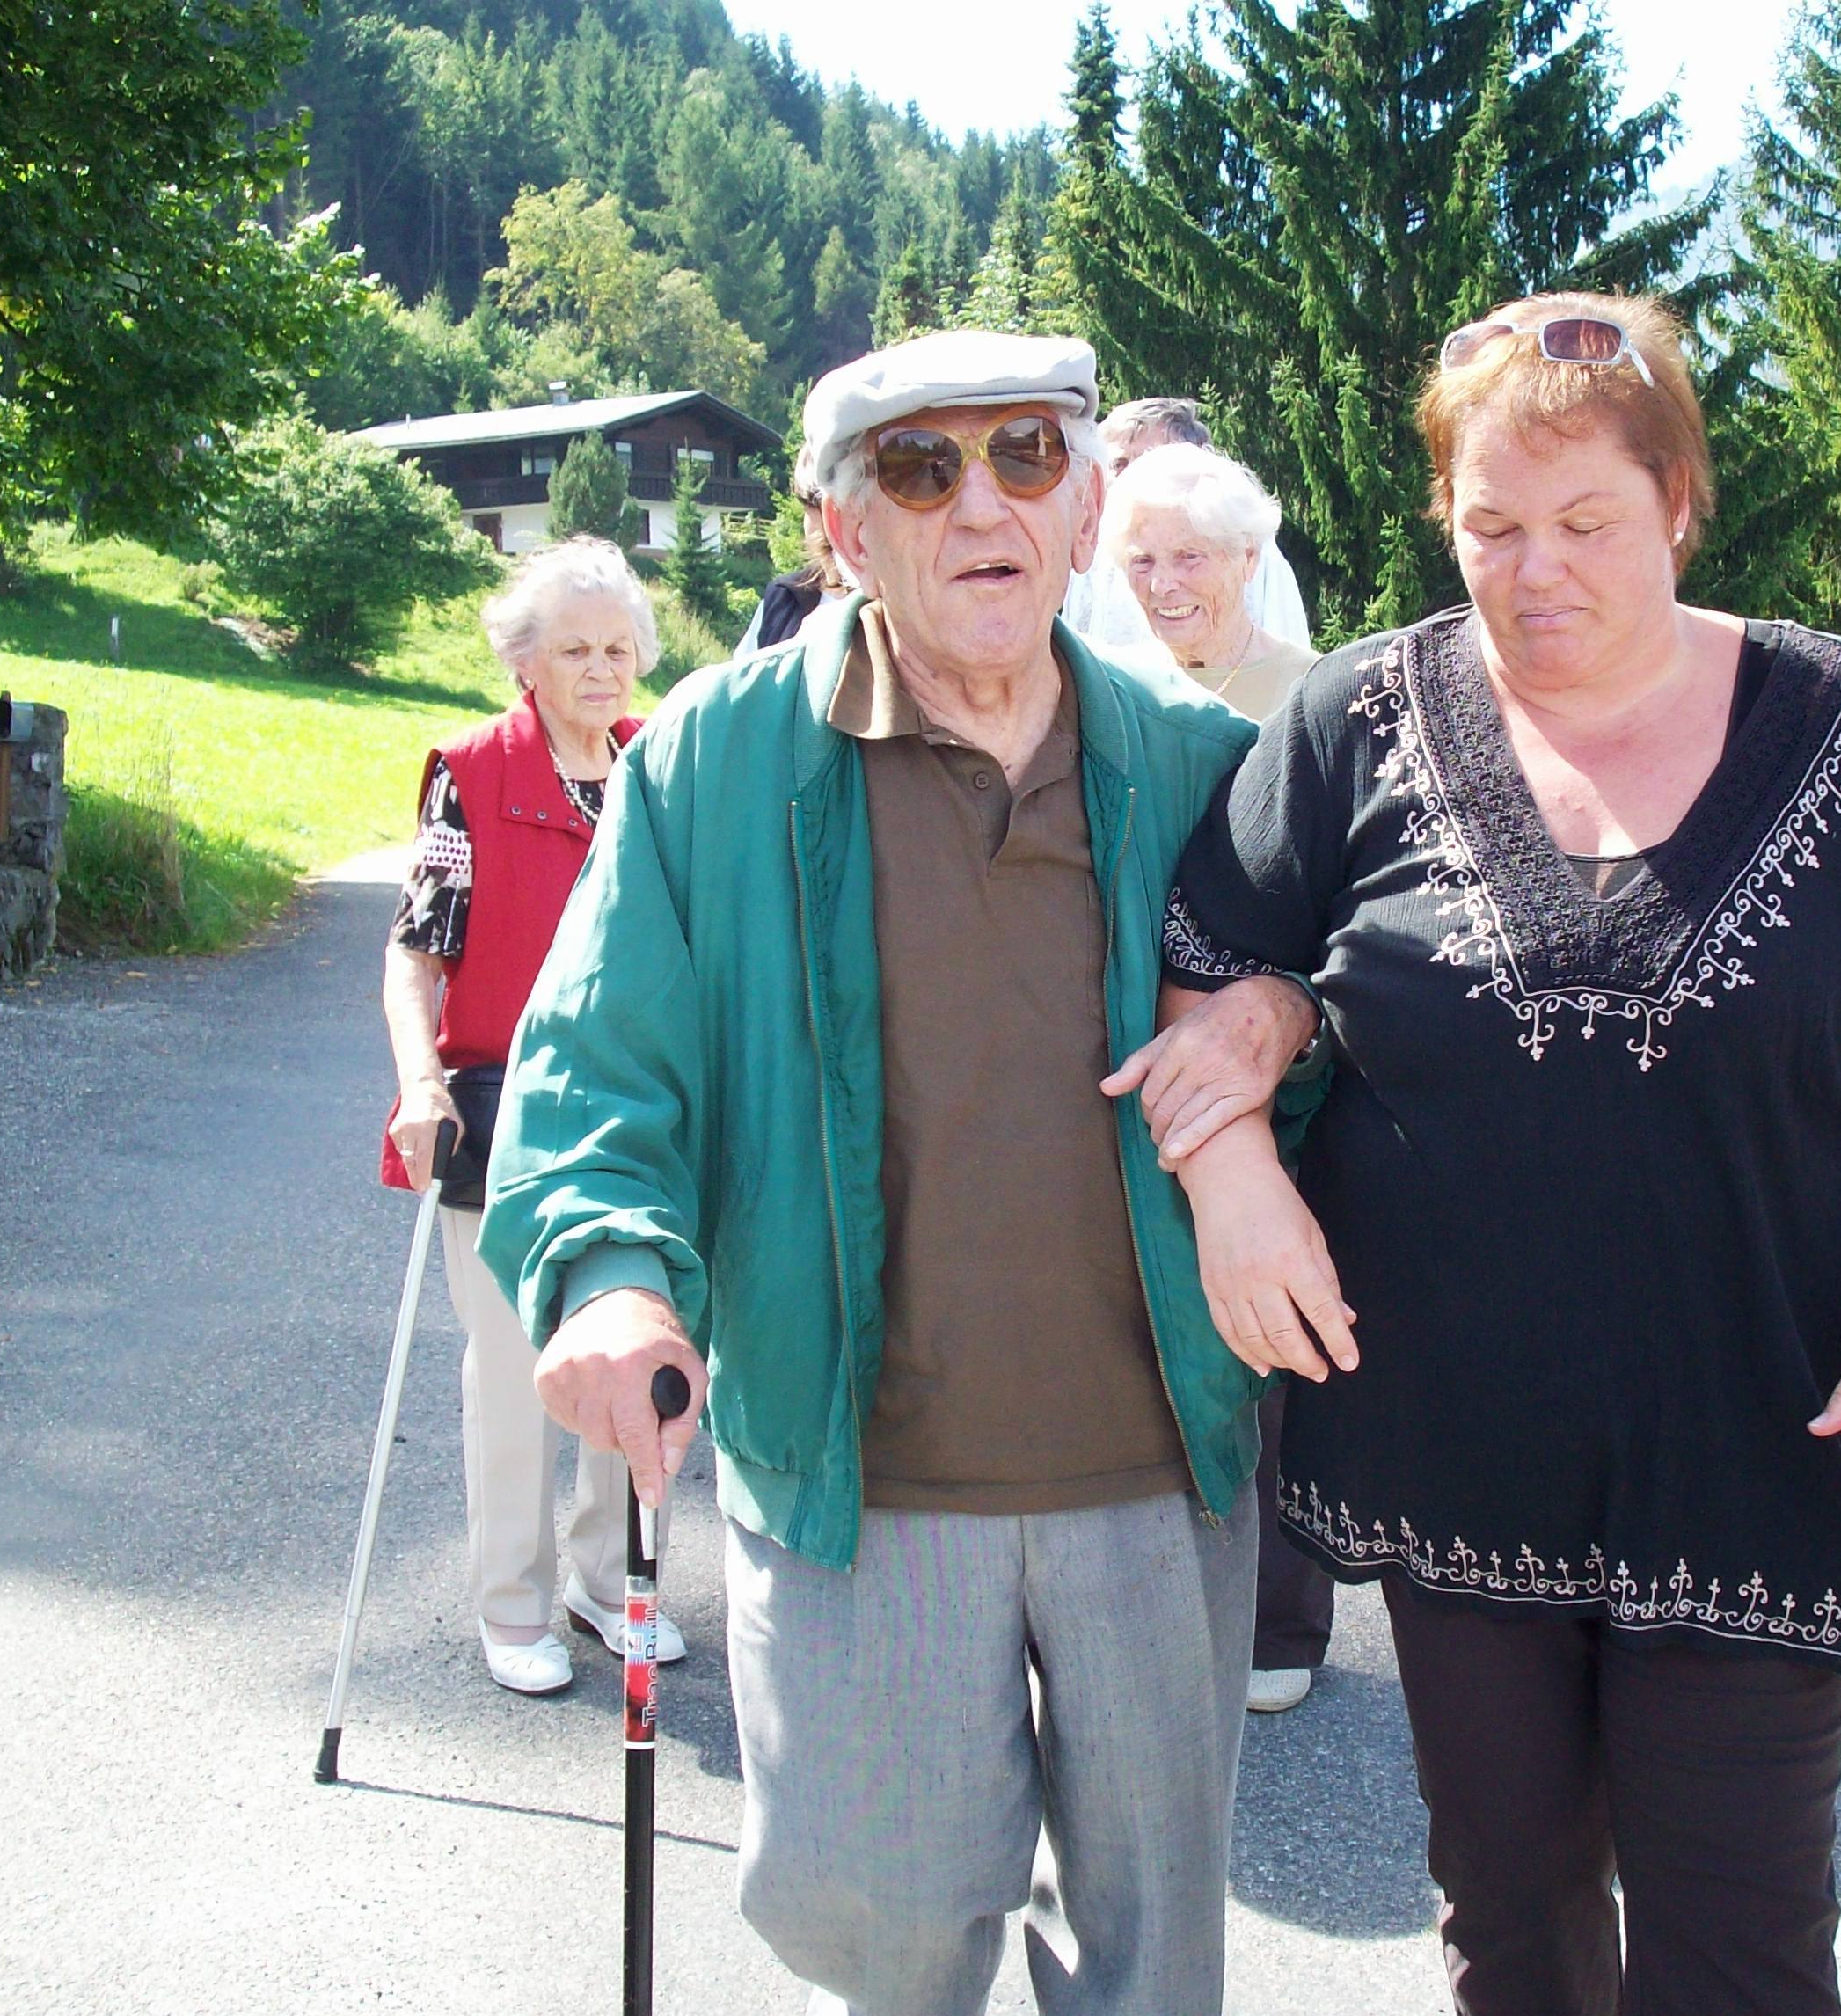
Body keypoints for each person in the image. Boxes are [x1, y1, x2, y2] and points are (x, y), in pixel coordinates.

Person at [1129, 291, 1841, 2014]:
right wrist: (1236, 1173)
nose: (1535, 569)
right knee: (1512, 1933)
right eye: (1490, 525)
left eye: (1586, 522)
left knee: (1740, 1956)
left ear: (1679, 505)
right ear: (1443, 517)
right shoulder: (1353, 718)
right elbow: (1213, 961)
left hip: (1764, 1441)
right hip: (1457, 1451)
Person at [478, 330, 1316, 2012]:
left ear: (1086, 509)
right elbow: (596, 1068)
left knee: (1154, 1966)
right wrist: (613, 1275)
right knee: (889, 1940)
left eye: (1026, 456)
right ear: (843, 531)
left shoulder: (1195, 761)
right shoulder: (716, 761)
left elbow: (1334, 1024)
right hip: (861, 1481)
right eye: (925, 470)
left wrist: (1286, 1017)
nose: (983, 504)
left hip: (1159, 1475)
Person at [377, 536, 683, 1693]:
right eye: (573, 651)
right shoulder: (472, 772)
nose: (600, 670)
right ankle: (511, 1604)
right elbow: (414, 955)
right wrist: (419, 1083)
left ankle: (609, 1583)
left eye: (616, 648)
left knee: (637, 1346)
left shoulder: (656, 767)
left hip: (640, 1112)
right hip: (501, 1109)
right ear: (526, 659)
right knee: (512, 1369)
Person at [1096, 438, 1331, 1714]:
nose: (1164, 582)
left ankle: (1280, 1623)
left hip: (1289, 1073)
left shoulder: (1314, 698)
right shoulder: (1103, 691)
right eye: (1139, 560)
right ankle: (1148, 1600)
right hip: (1134, 1059)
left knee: (1274, 1330)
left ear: (1248, 558)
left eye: (1189, 556)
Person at [1063, 396, 1311, 657]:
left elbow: (1287, 656)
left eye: (1153, 460)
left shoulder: (1244, 545)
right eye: (1120, 464)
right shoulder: (1092, 553)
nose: (1135, 476)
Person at [735, 447, 853, 657]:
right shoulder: (784, 598)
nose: (830, 528)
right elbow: (744, 674)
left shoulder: (897, 611)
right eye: (811, 505)